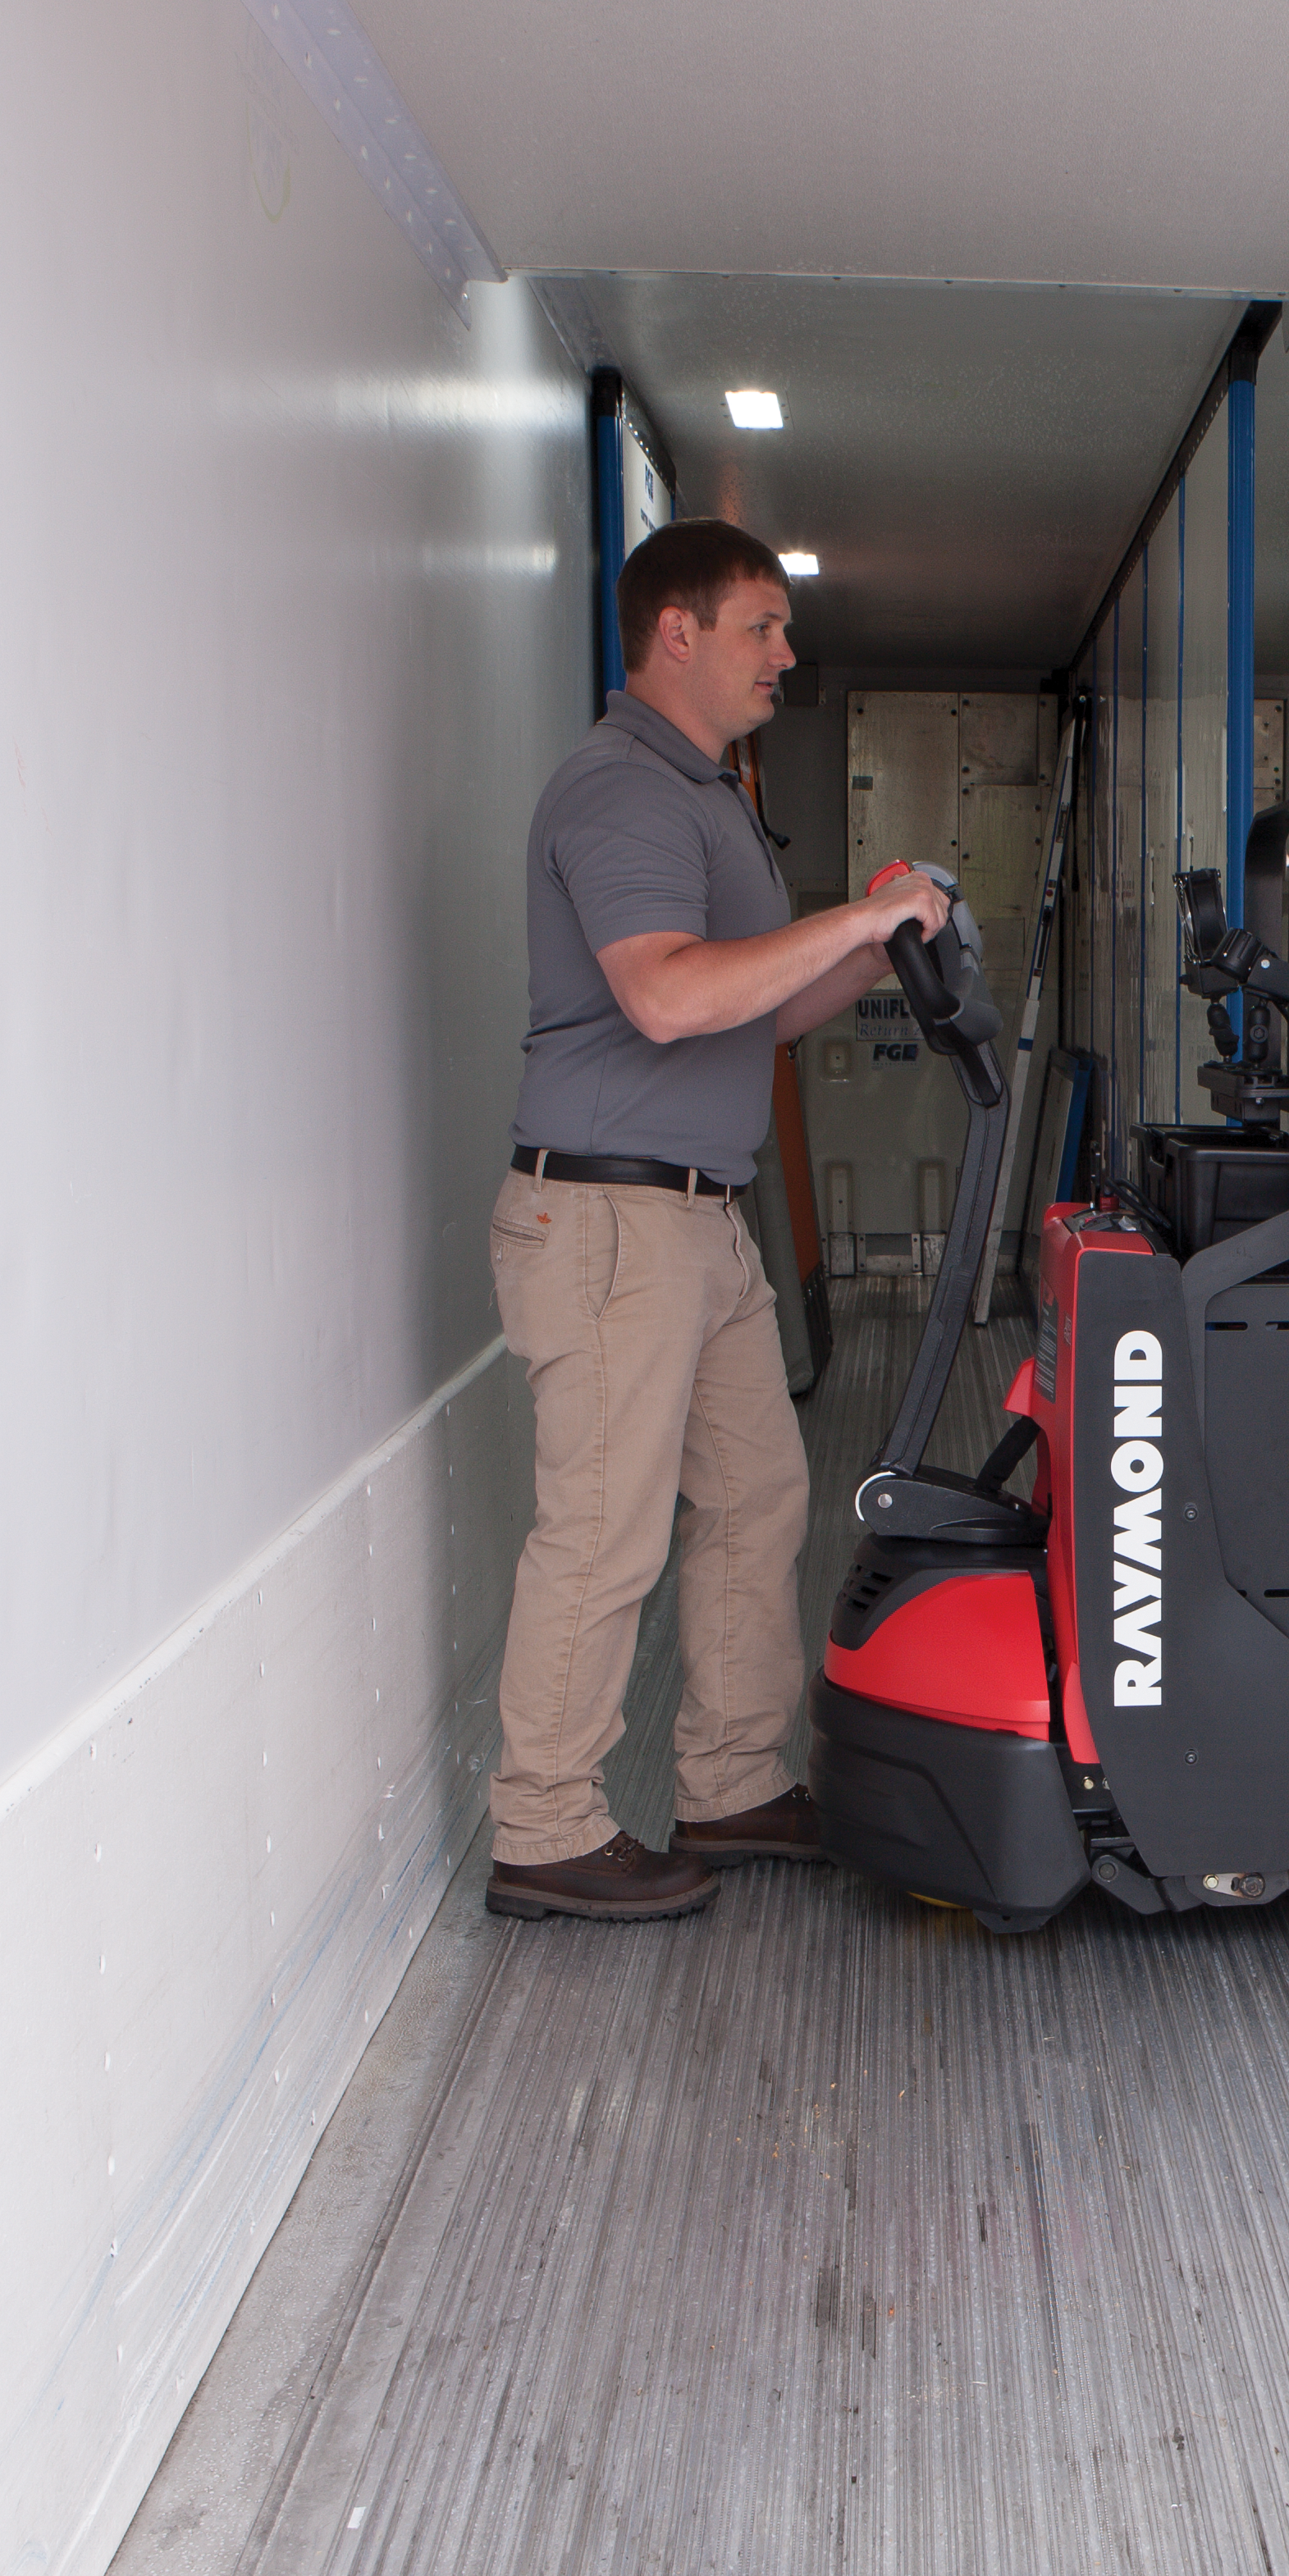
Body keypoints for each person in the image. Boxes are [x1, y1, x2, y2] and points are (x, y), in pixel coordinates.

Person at [482, 518, 939, 1922]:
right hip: (610, 1221)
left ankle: (732, 1782)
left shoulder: (708, 791)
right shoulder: (622, 789)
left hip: (698, 1216)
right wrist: (848, 922)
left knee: (757, 1495)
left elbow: (758, 1015)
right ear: (676, 632)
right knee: (604, 1528)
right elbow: (669, 996)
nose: (785, 655)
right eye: (763, 626)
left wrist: (875, 944)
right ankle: (544, 1824)